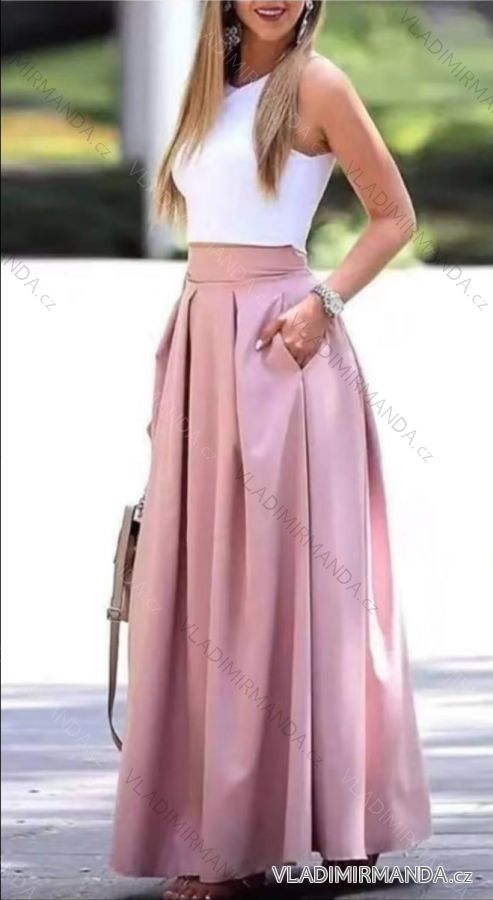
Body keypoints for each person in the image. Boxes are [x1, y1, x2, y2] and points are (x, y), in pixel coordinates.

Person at [111, 2, 431, 898]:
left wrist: (321, 306)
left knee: (283, 586)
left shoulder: (317, 83)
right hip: (203, 339)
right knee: (206, 584)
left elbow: (393, 215)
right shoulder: (207, 86)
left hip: (281, 348)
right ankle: (241, 824)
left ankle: (271, 836)